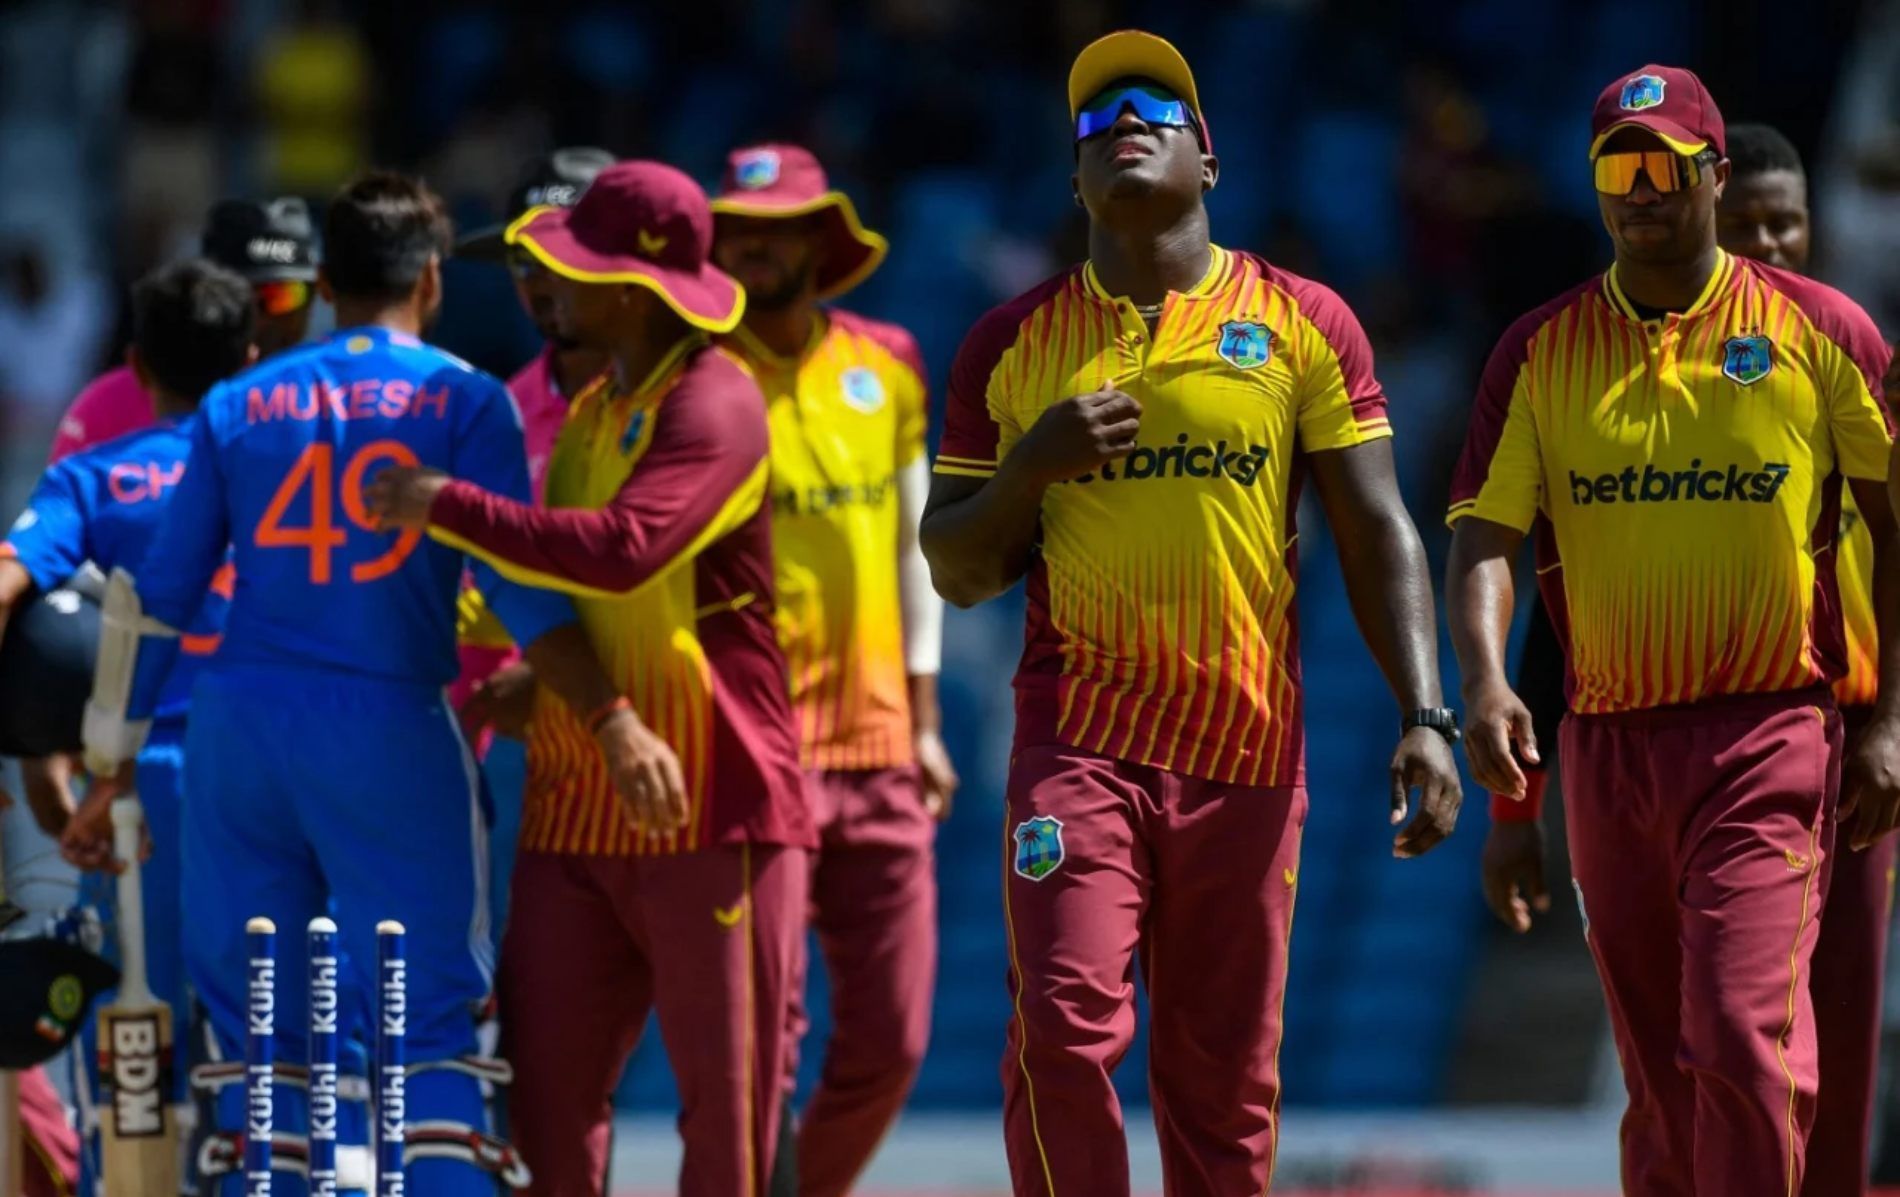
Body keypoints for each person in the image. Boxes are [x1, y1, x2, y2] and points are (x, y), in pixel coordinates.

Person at [920, 31, 1462, 1195]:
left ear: (1206, 157)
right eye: (1093, 115)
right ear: (1073, 179)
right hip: (1079, 747)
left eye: (1153, 106)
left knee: (1222, 1094)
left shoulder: (1304, 319)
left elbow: (1377, 529)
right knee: (1061, 1036)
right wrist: (1032, 469)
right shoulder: (1009, 347)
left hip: (1245, 758)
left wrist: (1427, 711)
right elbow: (956, 567)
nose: (1121, 117)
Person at [78, 171, 644, 1195]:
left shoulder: (236, 402)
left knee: (263, 1030)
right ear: (432, 279)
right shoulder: (466, 399)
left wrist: (110, 765)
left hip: (238, 733)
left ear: (325, 282)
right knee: (427, 1020)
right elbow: (517, 590)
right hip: (388, 724)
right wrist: (607, 711)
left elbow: (155, 595)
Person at [1448, 69, 1900, 1196]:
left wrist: (1889, 718)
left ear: (1708, 173)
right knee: (1660, 1079)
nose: (1639, 190)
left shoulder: (1820, 331)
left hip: (1773, 733)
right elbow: (1488, 544)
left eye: (1660, 166)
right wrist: (1486, 690)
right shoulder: (1538, 353)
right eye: (1617, 167)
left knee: (1749, 1038)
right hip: (1609, 750)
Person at [364, 160, 815, 1197]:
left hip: (713, 801)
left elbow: (624, 549)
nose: (547, 291)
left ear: (632, 286)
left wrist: (446, 504)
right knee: (543, 1114)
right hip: (575, 809)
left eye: (572, 268)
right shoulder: (601, 400)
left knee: (729, 1124)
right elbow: (562, 589)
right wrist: (527, 673)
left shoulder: (719, 400)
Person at [710, 142, 955, 1197]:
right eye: (738, 232)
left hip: (882, 746)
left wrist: (929, 720)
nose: (756, 248)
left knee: (894, 1039)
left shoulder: (889, 359)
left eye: (777, 229)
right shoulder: (696, 375)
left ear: (821, 240)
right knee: (766, 1041)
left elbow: (916, 546)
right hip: (756, 753)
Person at [0, 257, 252, 1196]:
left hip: (141, 793)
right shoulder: (287, 472)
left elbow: (9, 582)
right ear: (252, 358)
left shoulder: (94, 477)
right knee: (266, 1018)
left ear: (138, 366)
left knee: (135, 1034)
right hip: (277, 775)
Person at [452, 147, 615, 934]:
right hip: (527, 769)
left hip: (678, 749)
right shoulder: (495, 419)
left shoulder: (706, 403)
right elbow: (475, 609)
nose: (541, 277)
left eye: (567, 252)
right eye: (525, 258)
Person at [48, 198, 320, 464]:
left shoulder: (343, 407)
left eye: (283, 296)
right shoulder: (110, 407)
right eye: (239, 296)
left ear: (317, 295)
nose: (259, 318)